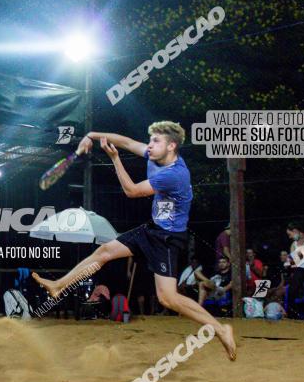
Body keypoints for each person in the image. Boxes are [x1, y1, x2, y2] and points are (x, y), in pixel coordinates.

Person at [32, 124, 236, 360]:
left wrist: (115, 159)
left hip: (168, 239)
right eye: (150, 140)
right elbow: (126, 141)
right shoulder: (154, 154)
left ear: (171, 146)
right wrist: (91, 134)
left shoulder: (175, 174)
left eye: (156, 141)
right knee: (105, 251)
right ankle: (59, 285)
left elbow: (131, 191)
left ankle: (221, 329)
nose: (149, 145)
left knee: (168, 298)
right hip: (152, 229)